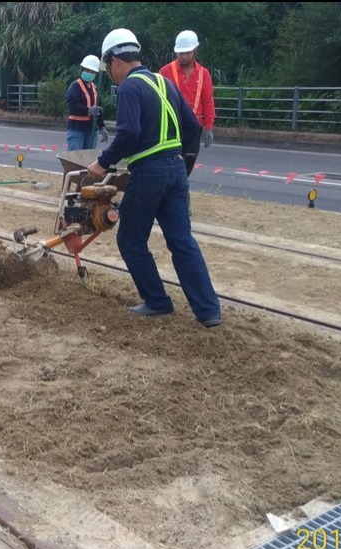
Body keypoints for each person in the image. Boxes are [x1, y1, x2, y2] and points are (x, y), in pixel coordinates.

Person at [87, 29, 222, 329]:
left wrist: (102, 163)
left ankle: (158, 301)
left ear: (114, 61)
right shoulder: (165, 83)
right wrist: (181, 167)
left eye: (108, 65)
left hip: (150, 173)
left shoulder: (130, 88)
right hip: (175, 171)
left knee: (130, 238)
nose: (110, 72)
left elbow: (129, 132)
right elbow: (192, 127)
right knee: (182, 241)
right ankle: (209, 311)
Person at [158, 30, 215, 177]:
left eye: (187, 53)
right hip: (171, 127)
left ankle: (180, 191)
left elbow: (208, 102)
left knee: (187, 165)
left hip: (194, 127)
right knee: (169, 165)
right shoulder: (165, 71)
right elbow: (156, 100)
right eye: (180, 53)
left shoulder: (204, 74)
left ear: (195, 51)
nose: (183, 56)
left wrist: (209, 127)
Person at [65, 55, 109, 151]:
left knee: (88, 159)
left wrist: (102, 126)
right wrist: (88, 111)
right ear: (81, 70)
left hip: (92, 130)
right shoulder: (75, 86)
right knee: (75, 159)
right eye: (87, 70)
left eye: (92, 72)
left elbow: (98, 110)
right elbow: (73, 106)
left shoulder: (95, 88)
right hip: (77, 129)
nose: (90, 73)